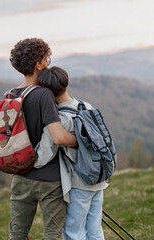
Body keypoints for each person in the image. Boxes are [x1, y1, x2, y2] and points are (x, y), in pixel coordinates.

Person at [8, 38, 77, 240]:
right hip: (49, 179)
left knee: (17, 234)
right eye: (47, 59)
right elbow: (57, 136)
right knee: (53, 235)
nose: (49, 63)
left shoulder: (10, 94)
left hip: (20, 176)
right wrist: (81, 141)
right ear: (39, 64)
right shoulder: (44, 94)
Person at [35, 66, 108, 240]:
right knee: (95, 230)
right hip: (99, 179)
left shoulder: (59, 119)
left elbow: (42, 155)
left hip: (78, 183)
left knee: (73, 233)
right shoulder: (86, 106)